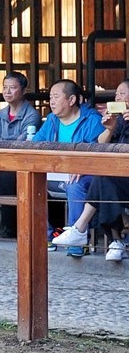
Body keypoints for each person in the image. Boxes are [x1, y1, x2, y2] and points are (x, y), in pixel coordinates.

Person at [51, 78, 129, 260]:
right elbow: (100, 145)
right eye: (116, 94)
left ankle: (87, 231)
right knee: (103, 179)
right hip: (119, 177)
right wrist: (109, 129)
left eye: (122, 94)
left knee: (102, 179)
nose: (117, 97)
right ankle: (113, 241)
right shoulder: (121, 121)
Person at [32, 79, 103, 254]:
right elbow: (35, 144)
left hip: (85, 175)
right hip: (56, 174)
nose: (52, 102)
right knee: (30, 182)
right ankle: (47, 236)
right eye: (50, 97)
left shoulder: (92, 120)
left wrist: (82, 166)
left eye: (56, 97)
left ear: (72, 100)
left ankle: (77, 241)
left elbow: (99, 153)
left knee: (74, 184)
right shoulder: (51, 120)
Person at [0, 71, 42, 236]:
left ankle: (10, 227)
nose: (7, 92)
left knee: (9, 177)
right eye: (5, 87)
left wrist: (2, 143)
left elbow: (22, 143)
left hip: (21, 164)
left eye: (13, 88)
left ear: (23, 91)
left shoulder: (32, 116)